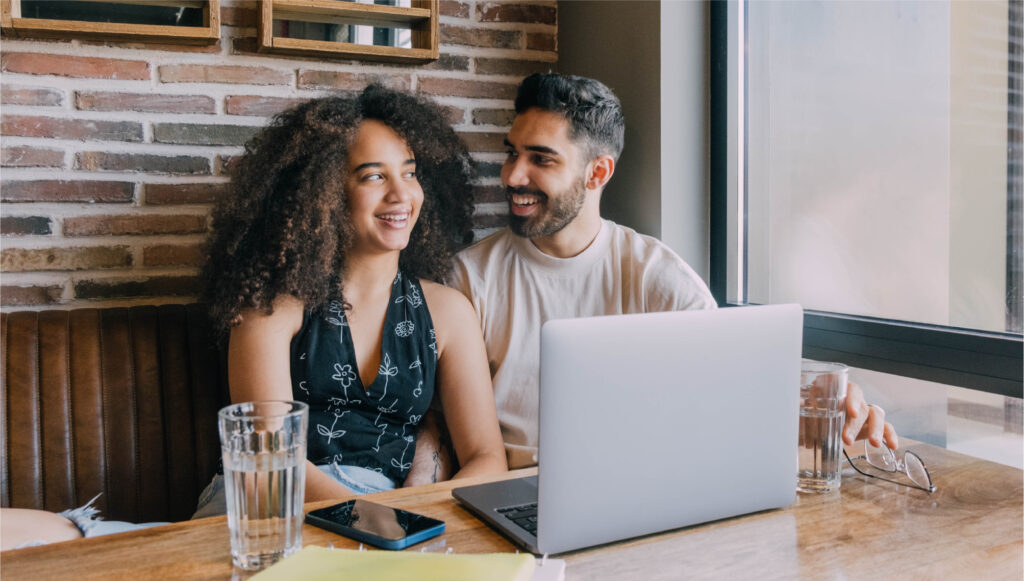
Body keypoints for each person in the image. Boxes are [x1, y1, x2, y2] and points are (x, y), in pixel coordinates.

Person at [2, 85, 507, 547]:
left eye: (410, 172)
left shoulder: (448, 311)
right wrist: (374, 522)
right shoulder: (273, 304)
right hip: (270, 511)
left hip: (392, 525)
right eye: (373, 175)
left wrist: (422, 522)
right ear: (325, 194)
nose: (401, 194)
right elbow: (271, 460)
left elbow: (487, 455)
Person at [434, 72, 899, 473]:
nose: (513, 176)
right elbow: (441, 427)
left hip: (635, 493)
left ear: (598, 173)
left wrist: (829, 400)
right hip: (509, 494)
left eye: (541, 159)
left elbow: (736, 374)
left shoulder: (654, 274)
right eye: (512, 153)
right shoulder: (469, 279)